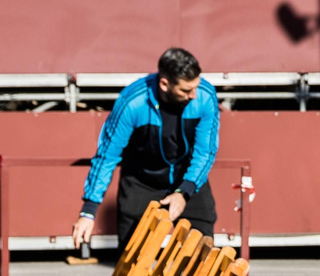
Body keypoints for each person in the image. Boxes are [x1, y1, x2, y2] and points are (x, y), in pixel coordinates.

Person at [70, 47, 219, 249]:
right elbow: (107, 156)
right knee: (132, 257)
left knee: (202, 254)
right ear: (164, 84)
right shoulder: (132, 102)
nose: (193, 95)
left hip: (188, 178)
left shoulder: (205, 96)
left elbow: (205, 151)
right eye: (185, 90)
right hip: (141, 182)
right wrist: (89, 210)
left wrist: (184, 191)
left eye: (196, 86)